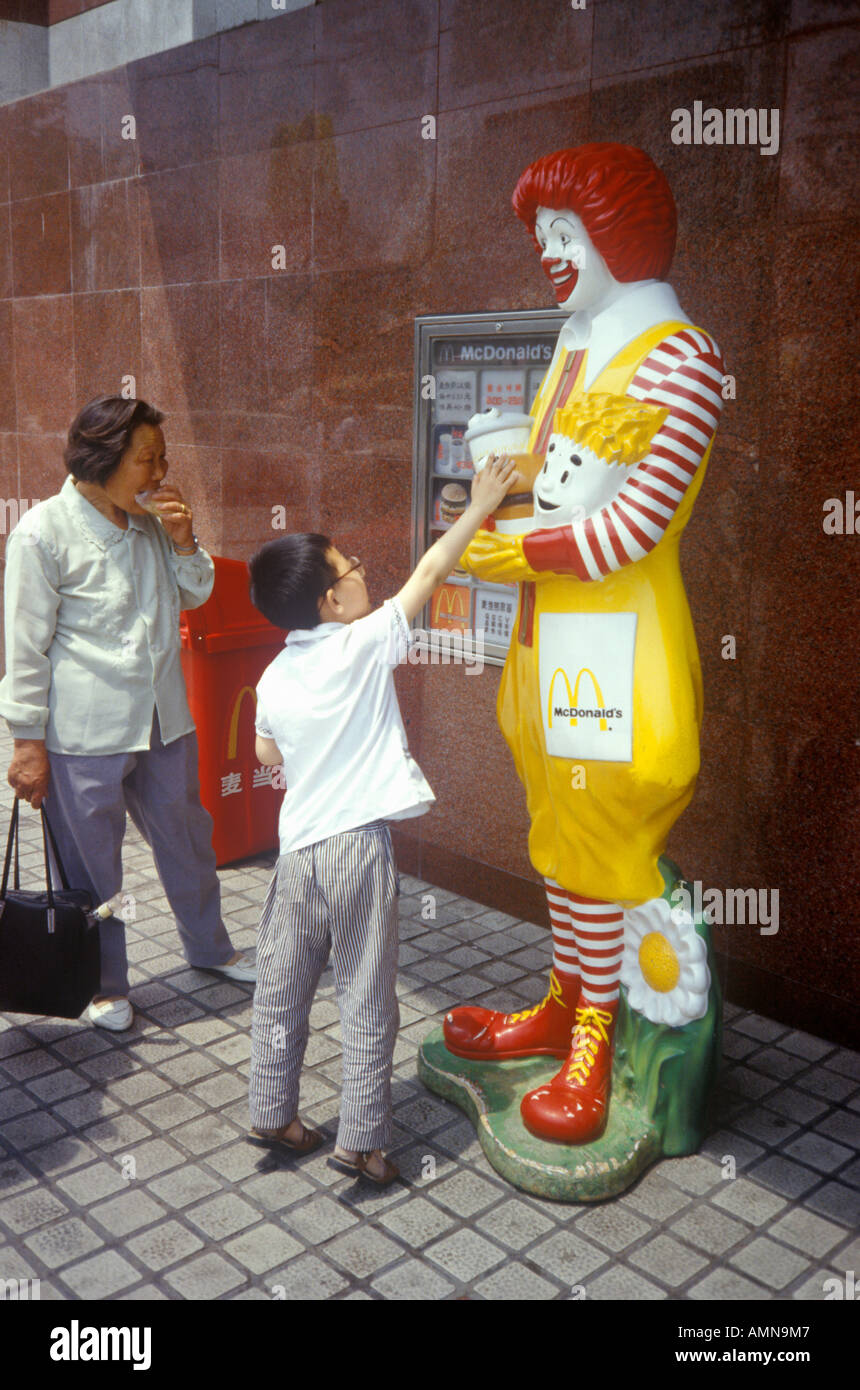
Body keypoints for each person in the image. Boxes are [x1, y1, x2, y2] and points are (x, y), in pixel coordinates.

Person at [443, 143, 725, 1145]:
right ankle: (565, 1000)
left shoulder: (678, 358)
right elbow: (555, 485)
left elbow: (630, 526)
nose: (550, 253)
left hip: (613, 656)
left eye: (564, 232)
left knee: (603, 849)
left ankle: (595, 1042)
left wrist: (502, 549)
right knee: (559, 844)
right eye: (541, 237)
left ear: (617, 232)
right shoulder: (577, 344)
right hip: (543, 651)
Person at [245, 453, 519, 1185]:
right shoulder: (364, 643)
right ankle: (363, 1142)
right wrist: (477, 505)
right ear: (332, 602)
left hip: (298, 851)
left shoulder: (274, 673)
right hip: (358, 850)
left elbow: (266, 748)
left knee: (283, 984)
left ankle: (273, 1110)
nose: (364, 569)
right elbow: (430, 576)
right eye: (351, 566)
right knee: (366, 993)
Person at [0, 396, 257, 1032]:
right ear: (104, 458)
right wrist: (26, 741)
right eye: (149, 459)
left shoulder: (148, 521)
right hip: (83, 733)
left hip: (164, 721)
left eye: (162, 458)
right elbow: (24, 646)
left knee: (189, 841)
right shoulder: (42, 533)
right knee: (93, 868)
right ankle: (103, 985)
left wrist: (184, 539)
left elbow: (195, 591)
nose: (161, 472)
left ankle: (210, 947)